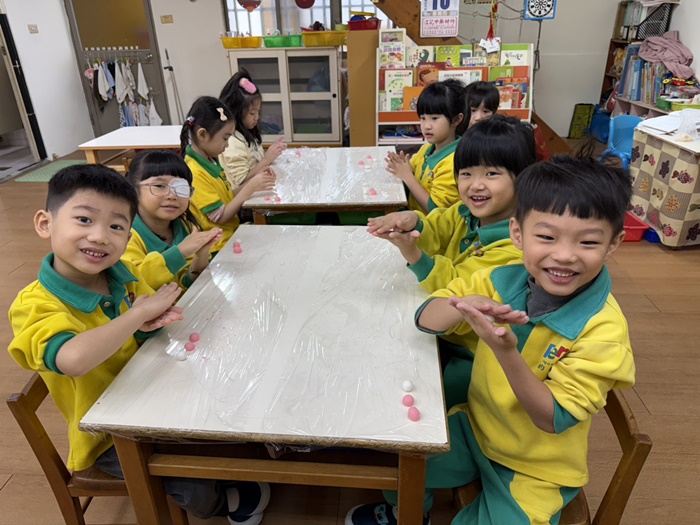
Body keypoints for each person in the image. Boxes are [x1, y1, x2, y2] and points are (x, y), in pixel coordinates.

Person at [346, 154, 636, 525]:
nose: (564, 256)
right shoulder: (502, 279)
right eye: (546, 237)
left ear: (613, 244)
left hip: (535, 466)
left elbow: (553, 418)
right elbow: (426, 319)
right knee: (398, 469)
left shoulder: (604, 330)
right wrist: (463, 305)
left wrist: (505, 352)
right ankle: (410, 512)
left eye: (588, 242)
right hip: (477, 428)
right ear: (518, 233)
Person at [7, 165, 271, 524]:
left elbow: (139, 331)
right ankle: (219, 503)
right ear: (45, 223)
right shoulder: (33, 304)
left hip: (148, 396)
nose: (100, 236)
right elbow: (73, 359)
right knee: (192, 483)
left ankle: (228, 467)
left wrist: (147, 324)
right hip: (106, 435)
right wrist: (135, 316)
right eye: (84, 220)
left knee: (225, 415)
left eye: (116, 227)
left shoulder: (122, 276)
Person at [369, 115, 536, 408]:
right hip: (440, 331)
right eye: (466, 173)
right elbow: (438, 226)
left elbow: (455, 291)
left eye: (491, 174)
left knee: (415, 398)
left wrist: (415, 256)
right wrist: (414, 220)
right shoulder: (467, 213)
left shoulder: (516, 249)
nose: (475, 185)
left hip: (472, 352)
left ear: (522, 179)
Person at [181, 96, 275, 254]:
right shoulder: (194, 172)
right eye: (225, 138)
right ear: (202, 135)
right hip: (217, 247)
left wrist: (255, 180)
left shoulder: (210, 161)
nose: (227, 145)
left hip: (230, 234)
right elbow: (220, 216)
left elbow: (226, 198)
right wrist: (250, 188)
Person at [124, 149, 222, 290]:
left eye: (181, 187)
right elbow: (134, 283)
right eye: (159, 186)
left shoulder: (185, 226)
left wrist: (201, 256)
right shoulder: (126, 235)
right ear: (133, 189)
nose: (172, 196)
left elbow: (185, 283)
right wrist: (180, 252)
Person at [385, 79, 467, 213]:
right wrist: (399, 165)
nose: (426, 126)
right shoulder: (427, 149)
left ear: (456, 119)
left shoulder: (455, 161)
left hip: (429, 224)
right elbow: (410, 170)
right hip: (412, 216)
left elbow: (436, 210)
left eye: (434, 118)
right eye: (423, 118)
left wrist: (407, 176)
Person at [219, 69, 287, 189]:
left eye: (258, 112)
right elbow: (241, 184)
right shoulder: (232, 142)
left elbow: (254, 162)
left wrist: (270, 154)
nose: (257, 117)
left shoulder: (248, 132)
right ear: (236, 112)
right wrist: (266, 159)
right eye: (252, 113)